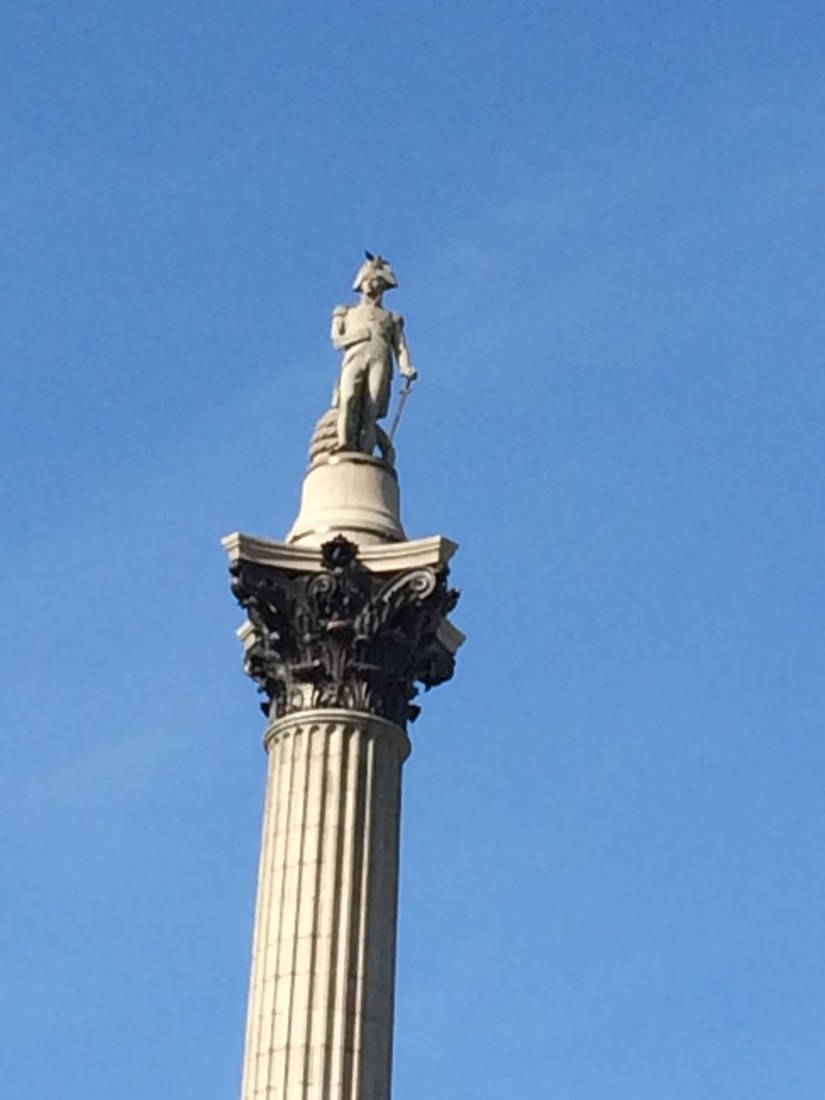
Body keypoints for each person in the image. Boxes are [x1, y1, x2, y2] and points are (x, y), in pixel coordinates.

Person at [331, 253, 418, 454]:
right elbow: (337, 341)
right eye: (370, 280)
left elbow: (400, 347)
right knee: (348, 398)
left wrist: (406, 366)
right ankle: (344, 441)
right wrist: (358, 336)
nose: (373, 285)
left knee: (371, 407)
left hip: (380, 361)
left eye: (378, 281)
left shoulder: (390, 318)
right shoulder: (345, 312)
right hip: (355, 358)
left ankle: (365, 449)